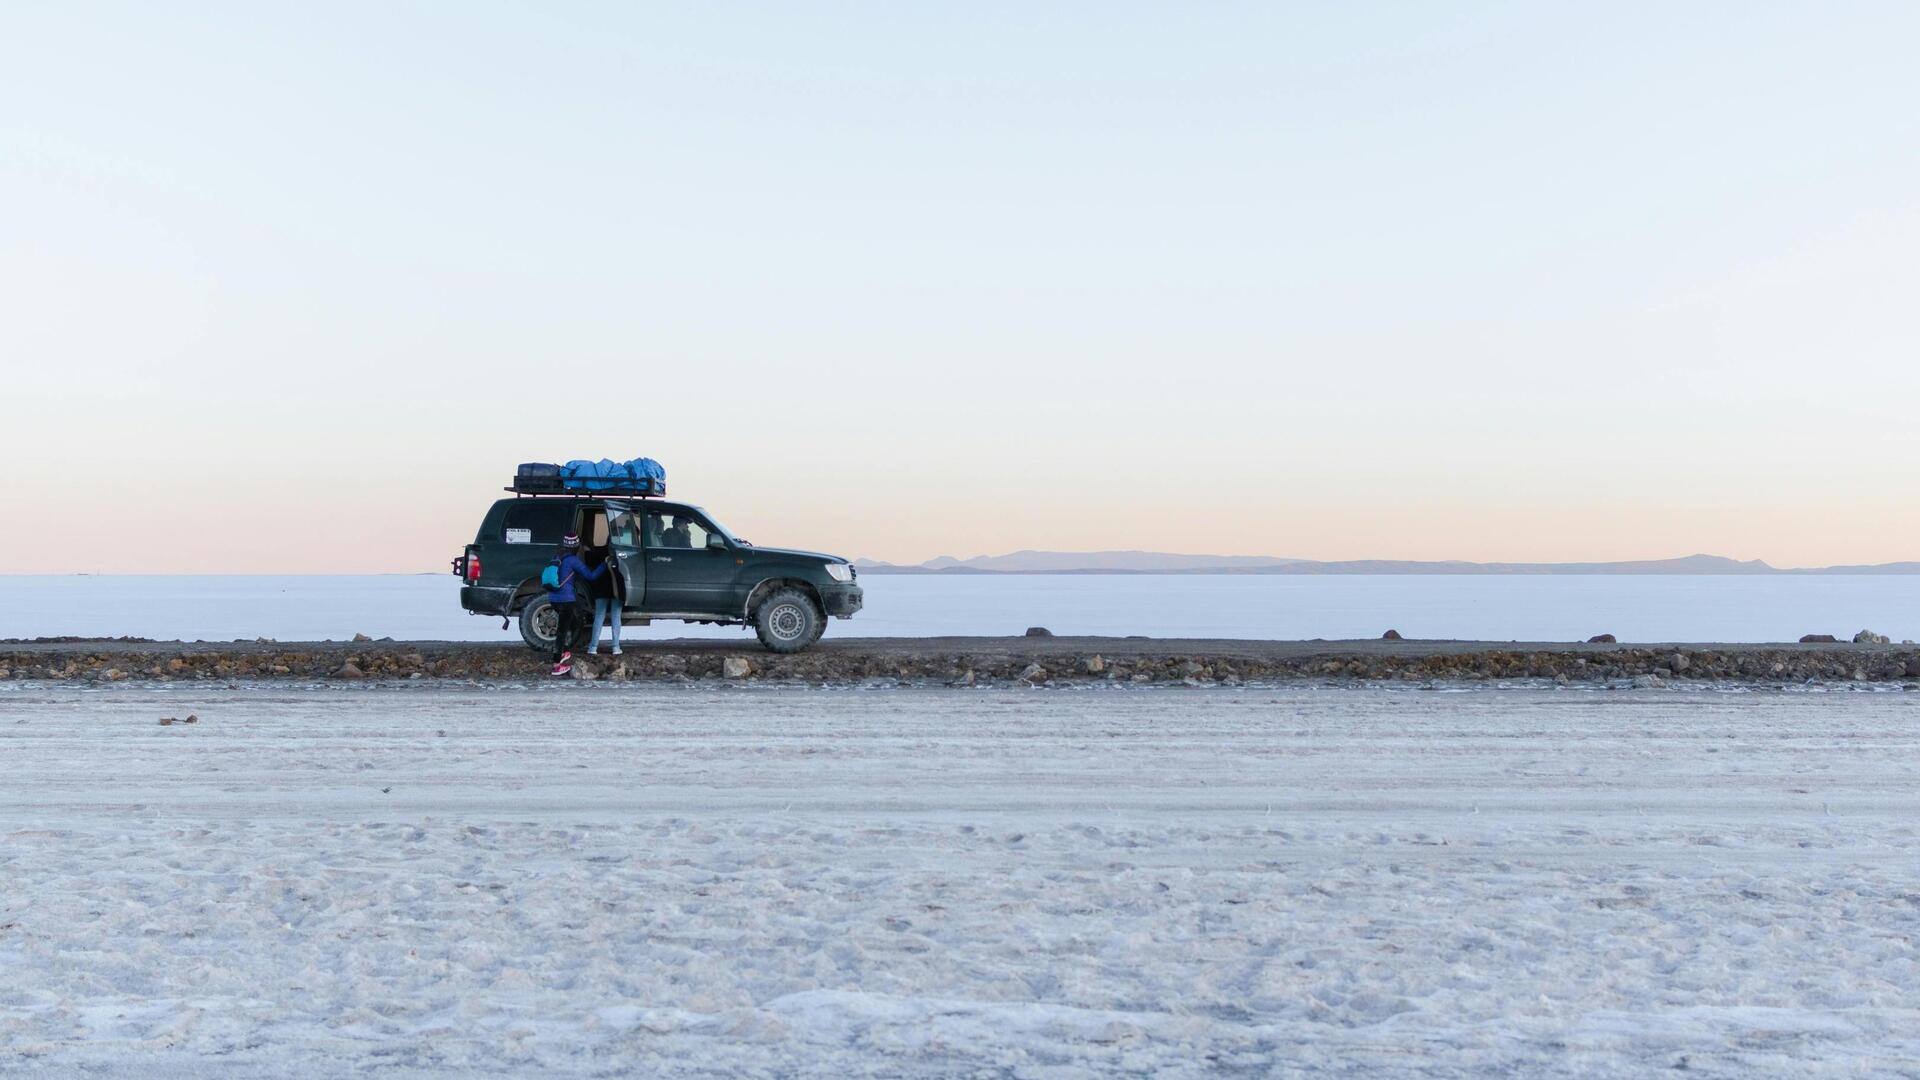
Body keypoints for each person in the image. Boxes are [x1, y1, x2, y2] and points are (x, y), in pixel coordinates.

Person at [546, 533, 606, 676]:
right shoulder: (573, 560)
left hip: (553, 598)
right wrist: (605, 564)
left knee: (573, 622)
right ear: (576, 546)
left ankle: (565, 651)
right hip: (565, 600)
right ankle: (556, 665)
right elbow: (591, 576)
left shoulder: (556, 557)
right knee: (562, 631)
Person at [585, 543, 621, 656]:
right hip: (617, 589)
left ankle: (593, 647)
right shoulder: (622, 553)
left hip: (601, 588)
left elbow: (589, 561)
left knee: (599, 616)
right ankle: (615, 647)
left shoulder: (599, 551)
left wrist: (586, 550)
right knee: (616, 616)